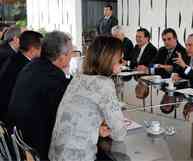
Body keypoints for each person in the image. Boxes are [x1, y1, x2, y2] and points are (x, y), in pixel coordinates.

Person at [49, 36, 127, 161]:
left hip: (57, 154)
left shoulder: (78, 78)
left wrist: (95, 129)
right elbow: (119, 133)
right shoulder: (104, 84)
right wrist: (110, 129)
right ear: (109, 60)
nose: (123, 63)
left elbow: (79, 117)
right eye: (120, 60)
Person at [7, 31, 73, 160]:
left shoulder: (33, 66)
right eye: (71, 52)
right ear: (62, 56)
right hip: (36, 147)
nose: (72, 55)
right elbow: (67, 114)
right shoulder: (53, 77)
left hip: (19, 138)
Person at [0, 31, 43, 121]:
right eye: (41, 48)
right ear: (33, 49)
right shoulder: (27, 67)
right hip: (11, 117)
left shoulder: (15, 58)